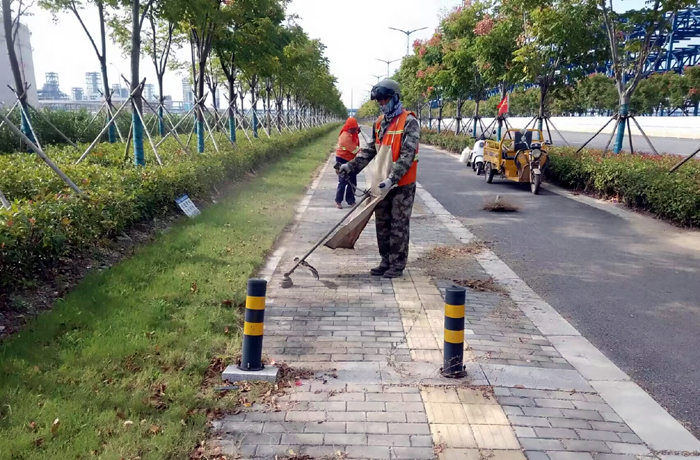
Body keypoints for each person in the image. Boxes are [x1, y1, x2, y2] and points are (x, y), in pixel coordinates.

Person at [338, 79, 419, 279]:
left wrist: (393, 179)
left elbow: (407, 155)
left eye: (385, 100)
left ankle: (397, 264)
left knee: (398, 226)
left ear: (395, 98)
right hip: (381, 183)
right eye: (380, 101)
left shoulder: (409, 122)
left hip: (402, 185)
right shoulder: (380, 122)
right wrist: (351, 166)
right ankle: (385, 260)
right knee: (382, 224)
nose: (383, 104)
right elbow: (370, 150)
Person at [334, 117, 361, 209]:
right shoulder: (345, 137)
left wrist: (357, 130)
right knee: (343, 181)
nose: (354, 131)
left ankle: (351, 200)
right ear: (347, 127)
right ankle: (338, 201)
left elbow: (356, 133)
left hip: (351, 159)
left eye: (355, 128)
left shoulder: (353, 133)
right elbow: (355, 150)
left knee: (352, 181)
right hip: (342, 159)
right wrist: (364, 152)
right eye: (352, 129)